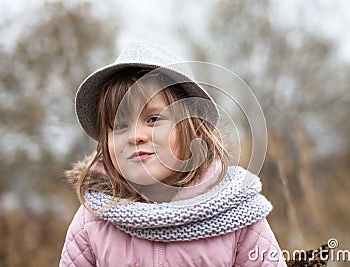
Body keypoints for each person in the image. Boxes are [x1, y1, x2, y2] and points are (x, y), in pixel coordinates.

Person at [60, 41, 286, 266]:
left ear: (193, 127)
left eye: (153, 119)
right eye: (119, 126)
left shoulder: (237, 214)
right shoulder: (93, 221)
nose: (135, 136)